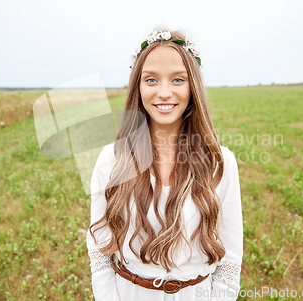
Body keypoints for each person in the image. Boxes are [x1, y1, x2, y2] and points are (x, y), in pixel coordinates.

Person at [86, 28, 243, 301]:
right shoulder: (111, 160)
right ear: (138, 87)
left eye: (178, 79)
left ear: (192, 86)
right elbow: (100, 252)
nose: (164, 92)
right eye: (151, 80)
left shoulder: (220, 161)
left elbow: (230, 256)